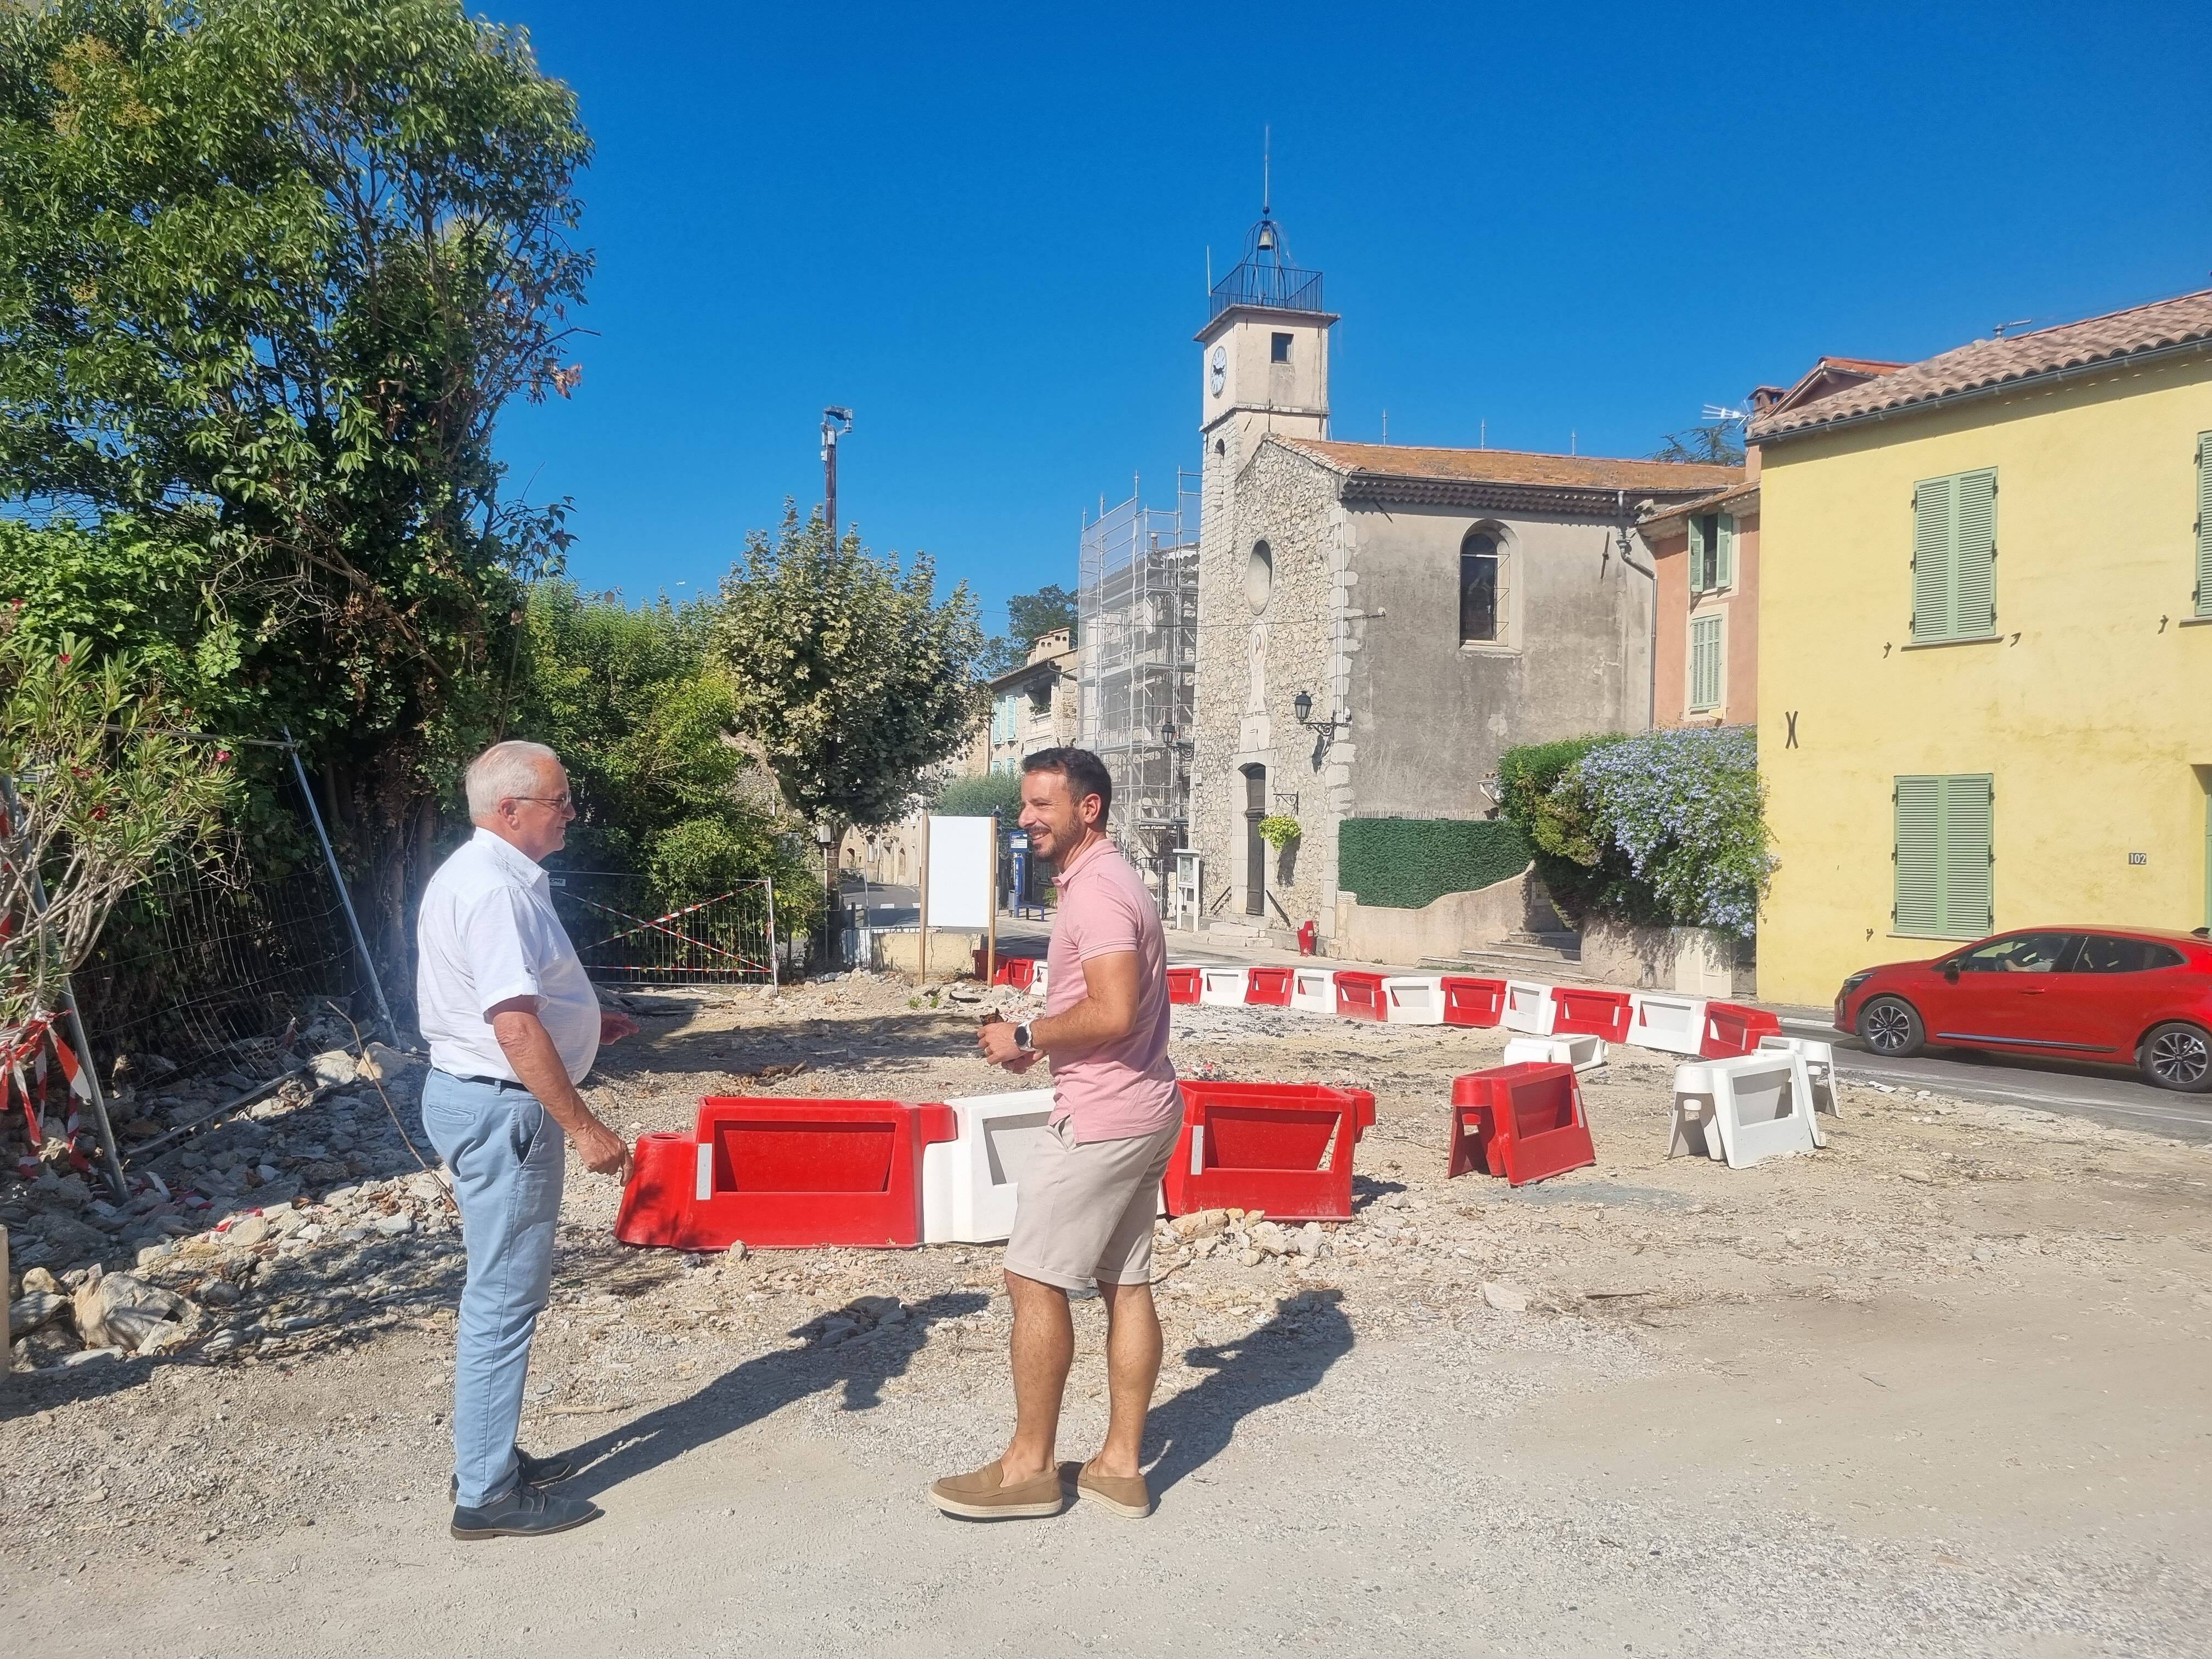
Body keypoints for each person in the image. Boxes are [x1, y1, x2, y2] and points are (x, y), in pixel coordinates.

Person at [930, 747, 1182, 1522]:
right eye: (1025, 804)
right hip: (1144, 1106)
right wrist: (1039, 1044)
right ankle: (1119, 1466)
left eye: (1044, 805)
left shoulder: (1100, 892)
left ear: (1089, 809)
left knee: (1034, 1279)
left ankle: (1029, 1470)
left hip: (1102, 1120)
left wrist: (1029, 1032)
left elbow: (1112, 1009)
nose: (1029, 818)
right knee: (1125, 1281)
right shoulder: (1105, 882)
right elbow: (1111, 1018)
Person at [416, 740, 637, 1541]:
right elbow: (511, 1026)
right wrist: (584, 1126)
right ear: (510, 812)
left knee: (501, 1293)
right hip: (503, 1109)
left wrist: (583, 1027)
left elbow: (518, 1007)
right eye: (561, 800)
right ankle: (486, 1496)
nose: (571, 812)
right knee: (505, 1300)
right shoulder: (494, 892)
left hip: (483, 1097)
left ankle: (490, 1457)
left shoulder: (482, 877)